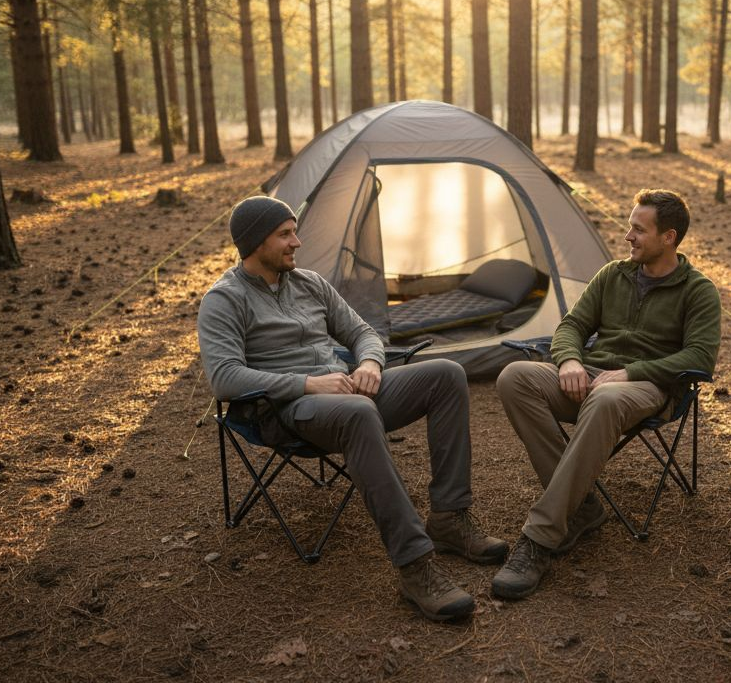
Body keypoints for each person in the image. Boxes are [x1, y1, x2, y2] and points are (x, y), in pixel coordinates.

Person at [197, 196, 507, 622]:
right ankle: (415, 565)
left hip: (346, 390)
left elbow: (363, 332)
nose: (297, 242)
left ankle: (450, 518)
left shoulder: (309, 283)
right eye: (285, 235)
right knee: (358, 412)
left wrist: (369, 364)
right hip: (290, 410)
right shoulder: (224, 300)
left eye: (294, 232)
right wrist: (309, 383)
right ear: (255, 243)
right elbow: (225, 378)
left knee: (447, 374)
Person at [491, 189, 721, 600]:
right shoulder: (613, 274)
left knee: (605, 399)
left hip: (647, 387)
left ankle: (540, 537)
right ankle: (580, 508)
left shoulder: (698, 290)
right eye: (629, 226)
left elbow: (700, 357)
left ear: (668, 237)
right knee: (515, 377)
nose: (628, 236)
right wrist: (569, 362)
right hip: (591, 376)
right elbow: (572, 326)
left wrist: (630, 372)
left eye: (639, 229)